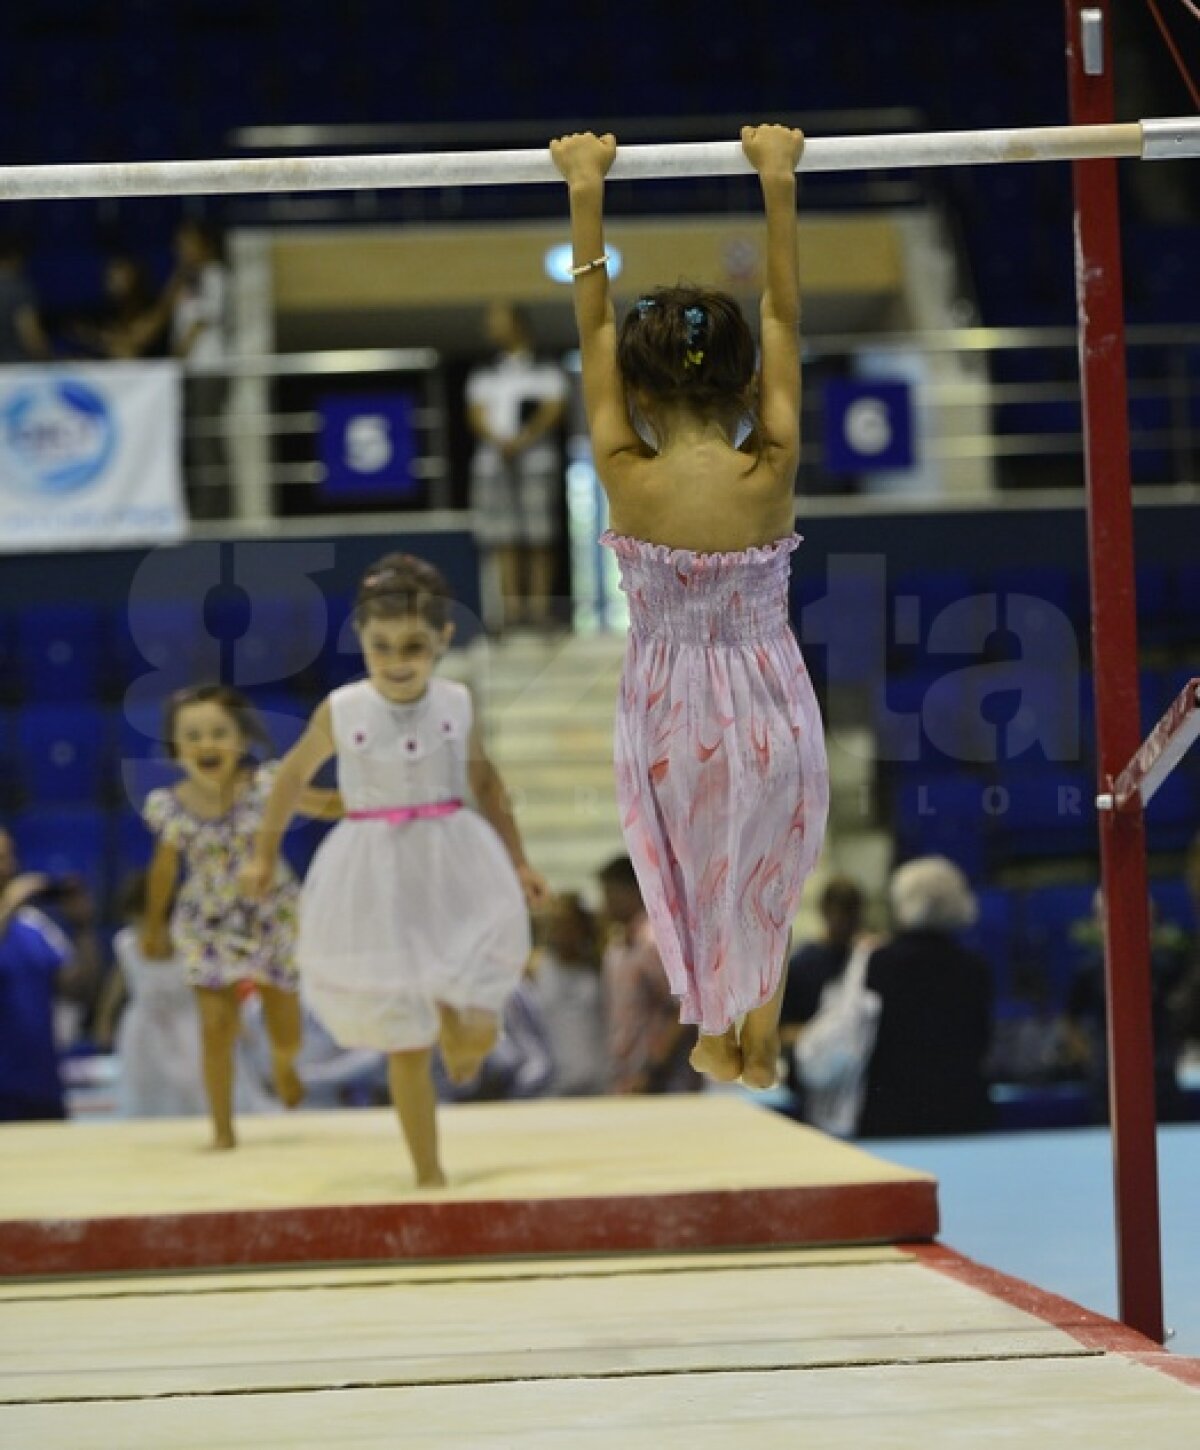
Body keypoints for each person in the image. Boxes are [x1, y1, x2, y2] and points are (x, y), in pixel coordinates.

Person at [551, 126, 829, 1090]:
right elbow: (786, 317)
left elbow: (592, 326)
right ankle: (752, 1037)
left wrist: (586, 188)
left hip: (669, 703)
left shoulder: (626, 469)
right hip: (767, 694)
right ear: (748, 378)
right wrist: (779, 182)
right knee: (768, 870)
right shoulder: (772, 462)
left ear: (634, 388)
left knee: (688, 871)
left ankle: (713, 1026)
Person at [241, 553, 549, 1187]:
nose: (398, 659)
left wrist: (518, 860)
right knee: (405, 1040)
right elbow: (290, 780)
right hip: (375, 872)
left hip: (452, 858)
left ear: (443, 638)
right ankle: (428, 1171)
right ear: (361, 639)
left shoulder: (457, 702)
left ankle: (461, 1025)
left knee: (475, 1021)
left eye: (413, 644)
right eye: (381, 647)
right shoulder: (344, 708)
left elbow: (486, 784)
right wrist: (263, 856)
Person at [141, 685, 340, 1149]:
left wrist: (381, 798)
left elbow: (324, 803)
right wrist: (154, 925)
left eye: (218, 733)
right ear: (175, 747)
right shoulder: (168, 806)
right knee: (215, 1027)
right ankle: (223, 1130)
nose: (206, 744)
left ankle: (284, 1064)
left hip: (272, 919)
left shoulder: (268, 786)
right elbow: (163, 868)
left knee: (286, 1031)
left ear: (241, 740)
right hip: (206, 923)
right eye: (192, 735)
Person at [856, 857, 994, 1139]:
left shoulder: (880, 962)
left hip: (893, 1109)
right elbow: (983, 1038)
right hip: (962, 1106)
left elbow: (863, 1035)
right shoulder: (975, 967)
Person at [466, 302, 568, 632]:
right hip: (494, 465)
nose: (492, 327)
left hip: (536, 463)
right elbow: (476, 414)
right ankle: (510, 611)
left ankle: (538, 609)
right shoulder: (485, 372)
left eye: (498, 319)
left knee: (539, 536)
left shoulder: (545, 369)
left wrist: (524, 439)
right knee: (503, 536)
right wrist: (500, 441)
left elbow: (553, 409)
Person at [0, 827, 100, 1121]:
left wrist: (83, 927)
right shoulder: (13, 913)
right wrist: (10, 904)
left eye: (8, 857)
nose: (5, 867)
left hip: (41, 1085)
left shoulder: (36, 925)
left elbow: (78, 988)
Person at [107, 870, 206, 1118]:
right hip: (143, 1031)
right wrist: (105, 1021)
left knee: (191, 1089)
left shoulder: (190, 941)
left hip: (188, 1027)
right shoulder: (126, 943)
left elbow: (206, 985)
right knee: (143, 1090)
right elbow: (116, 986)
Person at [599, 855, 701, 1096]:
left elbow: (685, 1008)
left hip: (663, 1078)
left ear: (633, 892)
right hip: (627, 1074)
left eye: (610, 894)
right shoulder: (617, 946)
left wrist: (653, 1068)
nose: (605, 904)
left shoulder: (655, 943)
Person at [779, 877, 867, 1105]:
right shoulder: (801, 965)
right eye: (840, 914)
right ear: (825, 912)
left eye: (851, 916)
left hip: (852, 1081)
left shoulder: (867, 962)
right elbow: (780, 1031)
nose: (844, 922)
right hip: (808, 1076)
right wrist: (823, 1035)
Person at [169, 220, 231, 519]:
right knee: (197, 441)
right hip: (192, 369)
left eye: (188, 244)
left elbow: (201, 321)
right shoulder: (187, 280)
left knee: (207, 440)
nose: (183, 251)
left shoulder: (214, 274)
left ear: (204, 245)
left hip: (208, 366)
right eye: (180, 245)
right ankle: (204, 506)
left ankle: (215, 511)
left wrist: (177, 356)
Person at [530, 892, 609, 1095]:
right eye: (558, 924)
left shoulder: (598, 965)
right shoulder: (535, 967)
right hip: (553, 1081)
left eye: (570, 924)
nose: (564, 932)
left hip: (596, 1077)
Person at [0, 234, 50, 363]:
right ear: (15, 257)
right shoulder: (18, 290)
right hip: (15, 370)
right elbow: (30, 334)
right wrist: (49, 361)